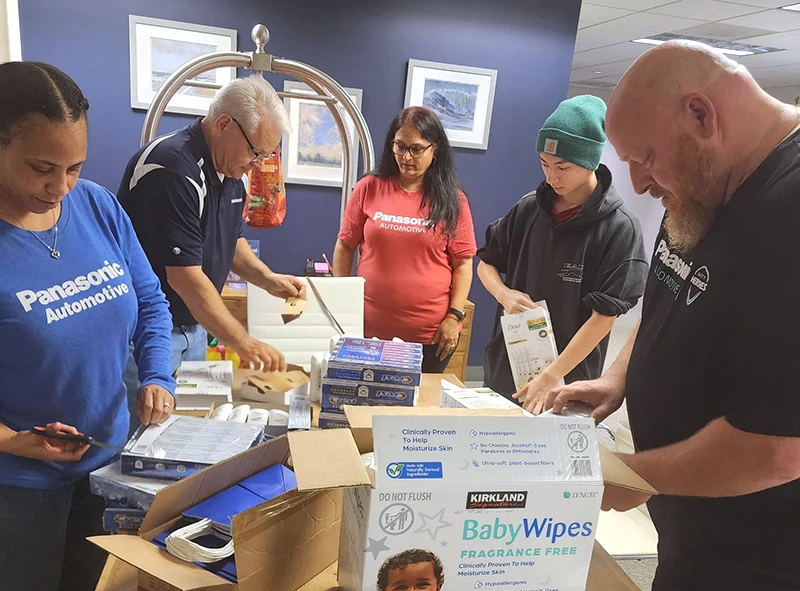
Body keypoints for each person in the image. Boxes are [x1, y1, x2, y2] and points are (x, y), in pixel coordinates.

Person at [549, 42, 800, 591]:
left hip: (769, 584)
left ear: (701, 113)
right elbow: (664, 296)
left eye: (645, 158)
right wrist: (621, 378)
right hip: (692, 544)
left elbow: (778, 445)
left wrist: (635, 475)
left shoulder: (788, 214)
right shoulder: (702, 182)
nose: (633, 179)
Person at [0, 62, 175, 591]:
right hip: (16, 489)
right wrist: (13, 440)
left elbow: (152, 305)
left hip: (106, 471)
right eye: (42, 168)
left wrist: (157, 375)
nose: (60, 187)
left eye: (73, 167)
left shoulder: (97, 206)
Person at [118, 76, 306, 423]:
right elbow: (185, 278)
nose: (258, 163)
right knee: (142, 441)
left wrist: (267, 280)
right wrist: (243, 342)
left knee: (185, 427)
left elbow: (230, 240)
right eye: (256, 152)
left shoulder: (230, 170)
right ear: (223, 125)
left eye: (267, 154)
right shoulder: (173, 168)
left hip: (192, 328)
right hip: (148, 335)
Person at [477, 95, 648, 413]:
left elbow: (604, 318)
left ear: (591, 161)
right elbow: (487, 262)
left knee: (548, 457)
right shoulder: (529, 208)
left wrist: (550, 375)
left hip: (568, 378)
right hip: (509, 362)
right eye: (544, 164)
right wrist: (504, 294)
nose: (551, 176)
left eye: (562, 166)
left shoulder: (619, 228)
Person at [333, 107, 476, 373]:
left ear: (435, 150)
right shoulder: (369, 188)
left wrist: (454, 316)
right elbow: (345, 245)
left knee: (418, 411)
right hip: (369, 332)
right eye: (400, 146)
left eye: (417, 149)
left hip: (430, 337)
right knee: (367, 406)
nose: (407, 157)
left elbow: (464, 265)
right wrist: (340, 301)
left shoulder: (453, 200)